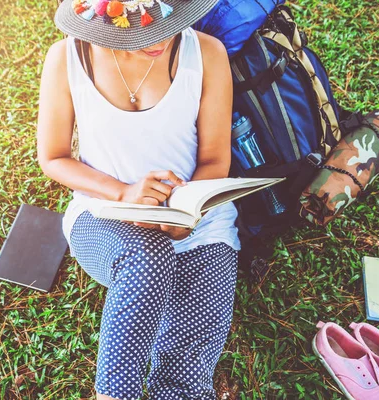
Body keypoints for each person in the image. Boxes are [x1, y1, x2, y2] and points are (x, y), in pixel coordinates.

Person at [36, 0, 241, 398]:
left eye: (169, 24)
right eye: (141, 31)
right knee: (148, 258)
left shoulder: (207, 54)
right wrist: (124, 193)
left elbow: (215, 159)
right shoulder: (67, 58)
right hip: (103, 215)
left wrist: (184, 212)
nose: (159, 39)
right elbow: (54, 157)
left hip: (200, 226)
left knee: (186, 367)